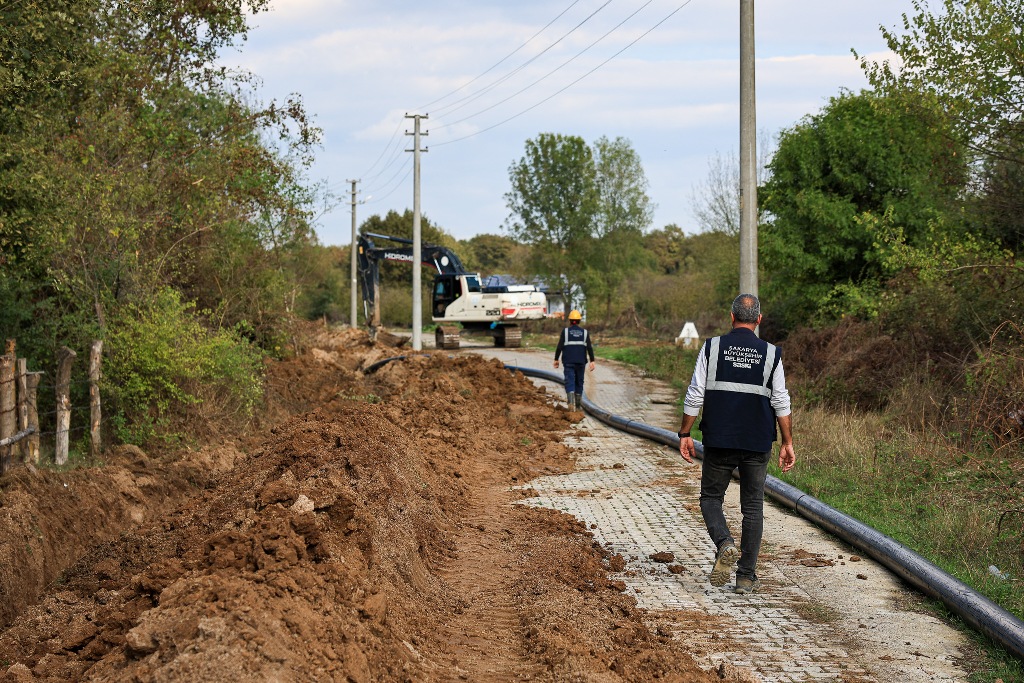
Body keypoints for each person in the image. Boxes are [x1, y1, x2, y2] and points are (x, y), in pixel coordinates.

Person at [677, 294, 795, 594]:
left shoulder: (713, 347)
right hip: (757, 441)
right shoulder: (771, 354)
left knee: (710, 498)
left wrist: (684, 433)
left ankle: (725, 543)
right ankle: (745, 576)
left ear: (731, 317)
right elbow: (781, 400)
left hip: (719, 439)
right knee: (753, 507)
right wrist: (787, 442)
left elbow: (695, 394)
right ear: (759, 319)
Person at [553, 309, 595, 411]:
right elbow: (589, 347)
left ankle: (571, 405)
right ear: (579, 320)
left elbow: (559, 347)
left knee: (569, 381)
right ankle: (578, 406)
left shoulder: (565, 332)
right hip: (581, 362)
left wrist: (556, 359)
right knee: (579, 382)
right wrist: (592, 361)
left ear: (570, 320)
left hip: (568, 362)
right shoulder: (585, 333)